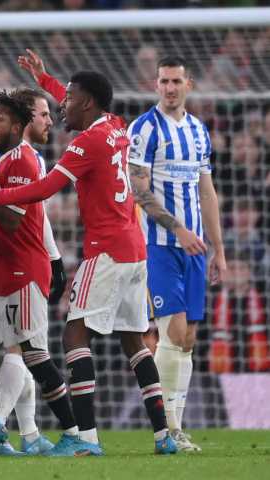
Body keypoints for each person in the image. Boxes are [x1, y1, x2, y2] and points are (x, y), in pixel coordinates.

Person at [0, 70, 177, 456]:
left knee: (74, 336)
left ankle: (84, 438)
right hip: (135, 247)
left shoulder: (85, 143)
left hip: (106, 248)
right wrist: (45, 77)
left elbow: (44, 190)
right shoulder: (114, 126)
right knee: (135, 341)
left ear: (88, 103)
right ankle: (164, 435)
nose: (63, 105)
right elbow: (82, 99)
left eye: (70, 98)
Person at [0, 86, 74, 456]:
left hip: (24, 271)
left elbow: (10, 220)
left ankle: (73, 432)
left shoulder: (23, 160)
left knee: (34, 353)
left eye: (0, 118)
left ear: (19, 125)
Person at [126, 56, 226, 452]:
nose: (169, 88)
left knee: (189, 340)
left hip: (196, 248)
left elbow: (207, 192)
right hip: (159, 245)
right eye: (163, 81)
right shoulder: (144, 129)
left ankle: (175, 427)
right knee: (173, 332)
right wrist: (178, 229)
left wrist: (218, 250)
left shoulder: (199, 132)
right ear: (156, 85)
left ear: (189, 84)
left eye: (176, 81)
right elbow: (140, 191)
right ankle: (166, 430)